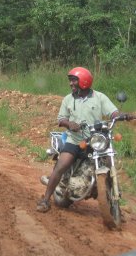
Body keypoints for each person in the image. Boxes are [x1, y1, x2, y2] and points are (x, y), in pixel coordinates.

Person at [36, 66, 119, 212]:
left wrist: (120, 116)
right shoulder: (68, 99)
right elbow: (61, 119)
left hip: (95, 140)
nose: (71, 84)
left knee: (109, 164)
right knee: (62, 165)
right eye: (70, 81)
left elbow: (113, 112)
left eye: (74, 80)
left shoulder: (99, 97)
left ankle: (116, 207)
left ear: (84, 81)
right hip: (74, 140)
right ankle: (45, 200)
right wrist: (69, 124)